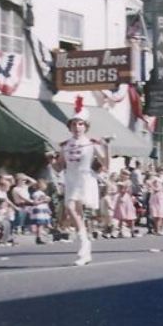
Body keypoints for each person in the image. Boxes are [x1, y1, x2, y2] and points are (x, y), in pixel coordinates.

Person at [54, 101, 108, 266]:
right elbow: (58, 167)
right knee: (73, 211)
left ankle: (84, 244)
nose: (77, 127)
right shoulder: (66, 145)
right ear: (69, 126)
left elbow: (105, 164)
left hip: (85, 178)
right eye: (74, 124)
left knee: (73, 209)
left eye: (80, 124)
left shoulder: (91, 144)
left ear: (85, 126)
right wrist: (50, 160)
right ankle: (85, 247)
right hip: (70, 178)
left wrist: (106, 148)